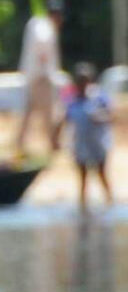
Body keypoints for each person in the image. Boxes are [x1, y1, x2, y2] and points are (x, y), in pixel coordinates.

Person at [64, 62, 115, 211]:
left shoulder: (99, 97)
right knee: (82, 177)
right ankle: (83, 207)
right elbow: (65, 118)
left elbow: (110, 115)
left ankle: (109, 202)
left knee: (101, 173)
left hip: (98, 141)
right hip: (80, 142)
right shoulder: (72, 100)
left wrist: (98, 117)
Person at [16, 2, 64, 157]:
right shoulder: (45, 27)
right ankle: (53, 145)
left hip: (32, 76)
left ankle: (20, 144)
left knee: (29, 112)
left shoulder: (36, 23)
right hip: (42, 77)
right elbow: (42, 42)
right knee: (49, 113)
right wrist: (43, 61)